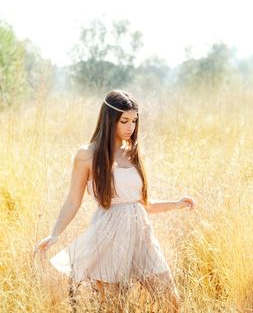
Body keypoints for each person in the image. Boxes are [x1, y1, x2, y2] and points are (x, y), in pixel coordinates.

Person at [34, 89, 196, 312]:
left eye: (134, 121)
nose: (131, 127)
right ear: (110, 120)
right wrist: (55, 234)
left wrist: (175, 203)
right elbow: (73, 200)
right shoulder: (87, 155)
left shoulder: (133, 151)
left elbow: (140, 203)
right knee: (114, 307)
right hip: (108, 236)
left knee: (170, 299)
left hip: (142, 236)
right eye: (125, 121)